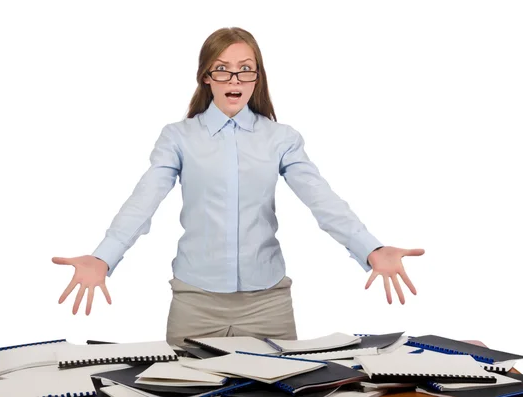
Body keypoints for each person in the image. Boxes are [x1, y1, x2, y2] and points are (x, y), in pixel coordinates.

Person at [52, 27, 424, 347]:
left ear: (257, 78)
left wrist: (371, 249)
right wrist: (104, 256)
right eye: (223, 70)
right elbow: (142, 202)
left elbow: (322, 201)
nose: (234, 81)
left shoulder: (281, 138)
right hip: (194, 304)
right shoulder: (178, 137)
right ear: (206, 77)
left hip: (268, 305)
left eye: (245, 70)